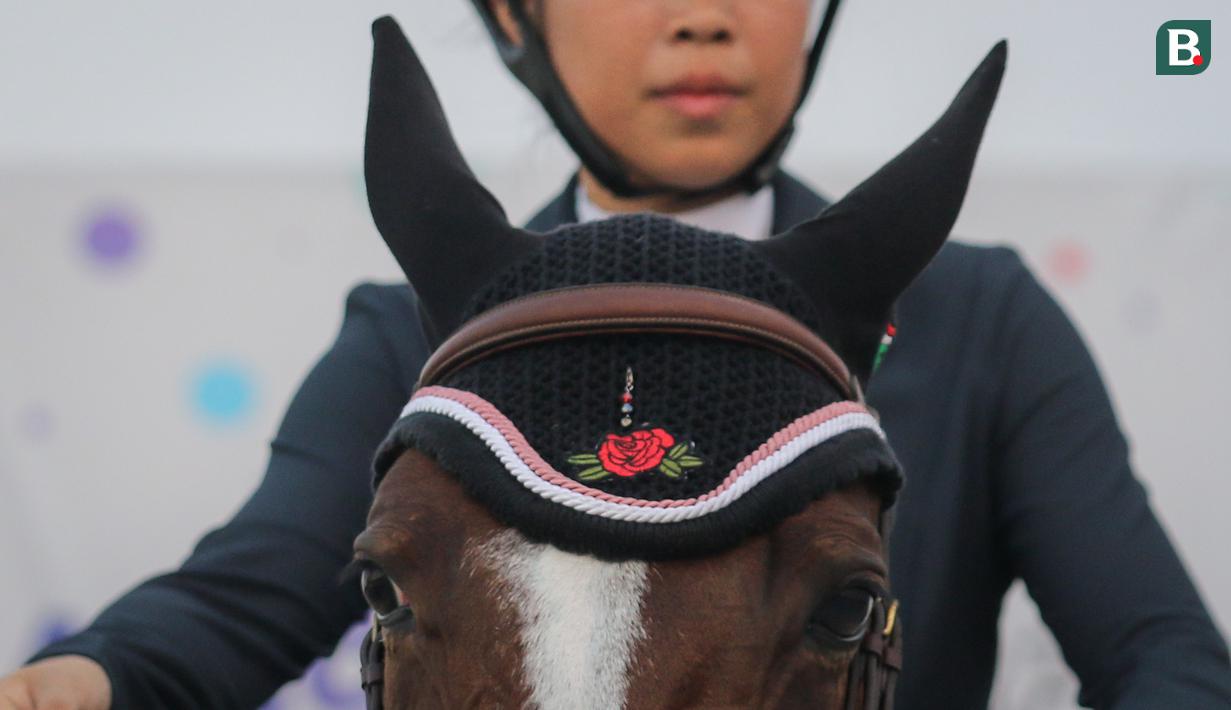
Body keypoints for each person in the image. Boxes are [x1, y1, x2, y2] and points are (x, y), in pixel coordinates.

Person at [3, 1, 1229, 708]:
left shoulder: (982, 317)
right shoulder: (408, 332)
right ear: (511, 15)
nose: (700, 13)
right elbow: (244, 594)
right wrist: (90, 676)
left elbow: (1158, 652)